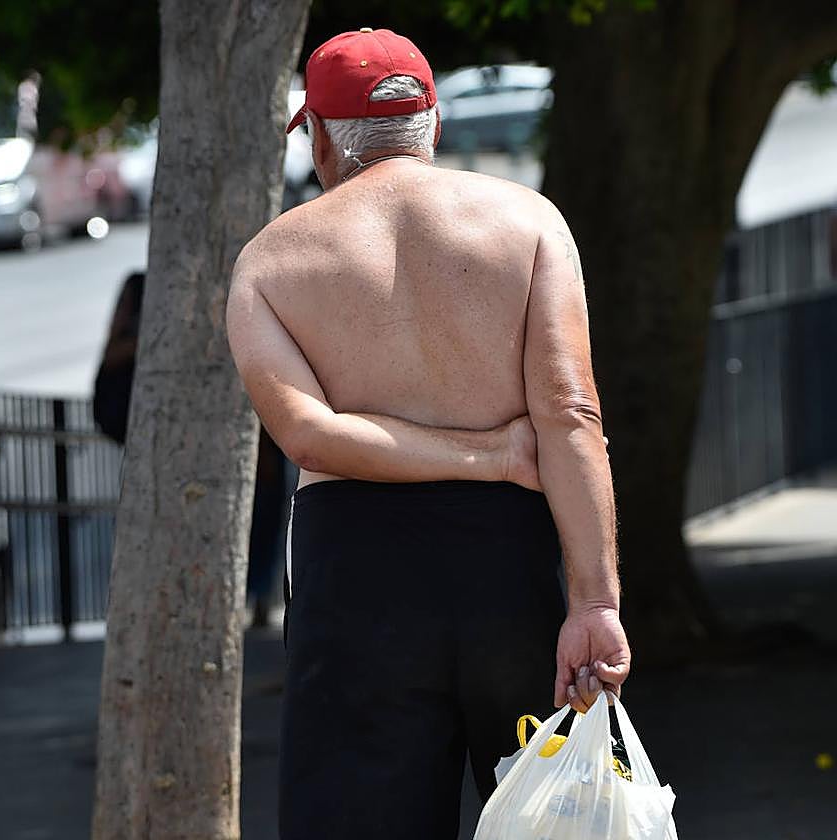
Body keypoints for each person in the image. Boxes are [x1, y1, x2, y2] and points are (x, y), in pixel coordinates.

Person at [227, 28, 630, 839]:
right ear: (434, 124)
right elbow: (571, 412)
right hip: (507, 565)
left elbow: (308, 436)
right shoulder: (529, 222)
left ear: (320, 139)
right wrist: (594, 600)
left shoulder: (269, 261)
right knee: (560, 823)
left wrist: (491, 458)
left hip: (356, 578)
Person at [94, 271, 291, 626]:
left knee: (259, 523)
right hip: (182, 442)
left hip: (221, 443)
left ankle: (255, 598)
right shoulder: (148, 297)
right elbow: (112, 355)